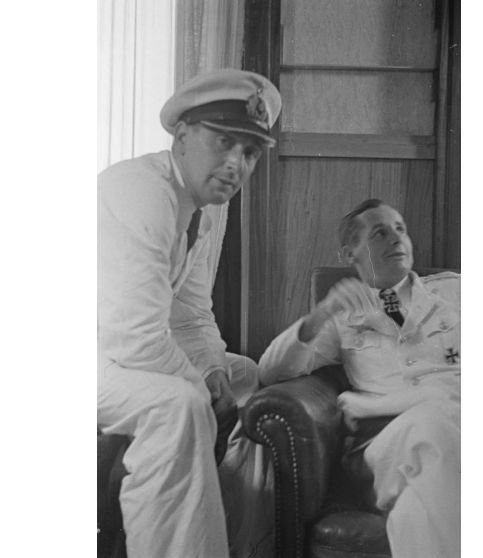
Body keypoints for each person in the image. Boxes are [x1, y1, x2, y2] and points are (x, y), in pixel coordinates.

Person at [98, 69, 281, 558]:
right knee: (176, 405)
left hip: (112, 352)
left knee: (245, 376)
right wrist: (199, 386)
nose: (234, 165)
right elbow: (135, 339)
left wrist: (216, 372)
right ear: (181, 137)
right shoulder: (142, 190)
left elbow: (192, 312)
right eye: (224, 142)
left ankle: (239, 545)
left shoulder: (208, 203)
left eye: (249, 153)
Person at [259, 198, 460, 558]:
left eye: (400, 229)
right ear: (349, 252)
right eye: (379, 233)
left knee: (419, 506)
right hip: (384, 446)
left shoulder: (456, 291)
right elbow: (271, 371)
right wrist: (320, 314)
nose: (396, 239)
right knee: (434, 422)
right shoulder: (340, 315)